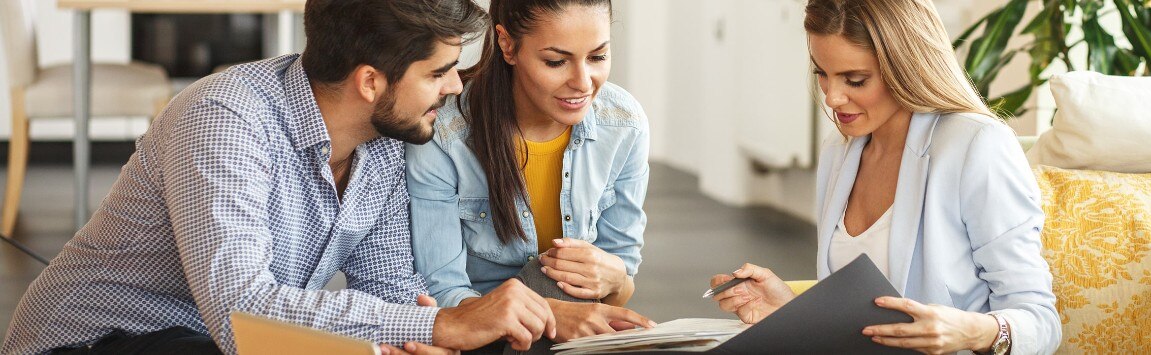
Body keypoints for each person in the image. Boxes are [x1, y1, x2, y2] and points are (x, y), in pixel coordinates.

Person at [1, 1, 560, 354]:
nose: (456, 88)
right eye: (439, 73)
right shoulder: (224, 118)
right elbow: (239, 311)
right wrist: (442, 327)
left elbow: (388, 293)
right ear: (370, 81)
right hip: (95, 341)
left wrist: (420, 333)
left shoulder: (388, 141)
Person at [708, 0, 1062, 354]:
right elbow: (861, 315)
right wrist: (788, 309)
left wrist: (972, 332)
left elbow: (1041, 324)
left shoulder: (976, 146)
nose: (832, 97)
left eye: (855, 80)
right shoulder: (840, 150)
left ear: (906, 68)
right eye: (822, 73)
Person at [406, 0, 654, 344]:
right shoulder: (445, 134)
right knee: (549, 280)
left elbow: (619, 285)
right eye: (556, 61)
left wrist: (616, 280)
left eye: (597, 57)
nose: (583, 83)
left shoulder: (624, 123)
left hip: (578, 334)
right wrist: (550, 314)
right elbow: (444, 295)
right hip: (480, 337)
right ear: (507, 45)